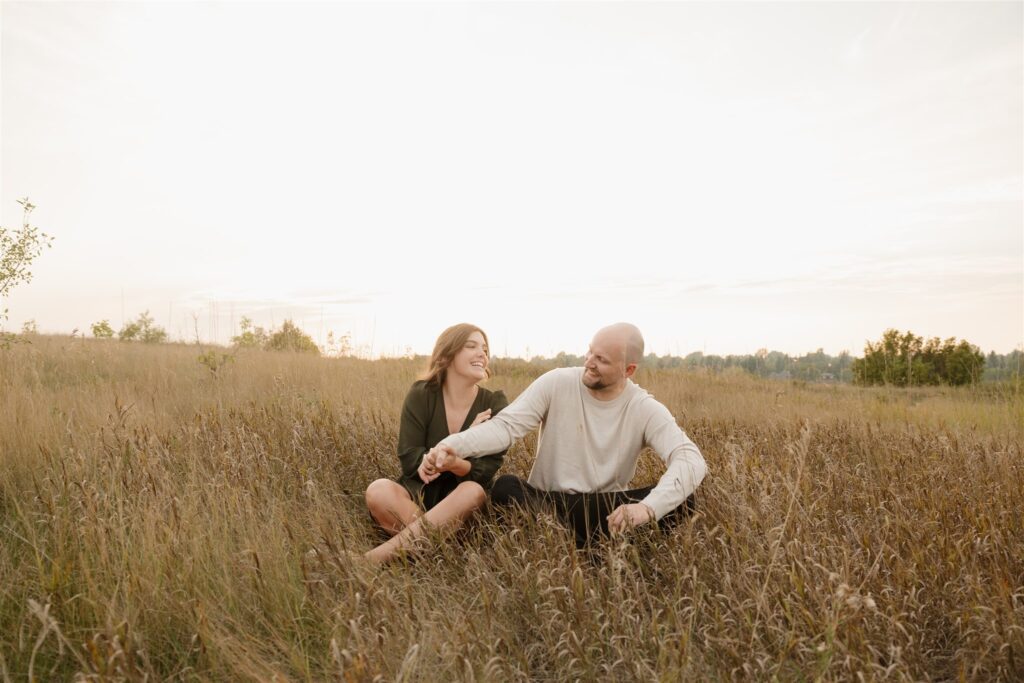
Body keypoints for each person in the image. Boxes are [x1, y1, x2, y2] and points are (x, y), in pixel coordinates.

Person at [426, 323, 707, 548]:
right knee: (506, 488)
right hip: (548, 502)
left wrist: (647, 508)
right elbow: (506, 427)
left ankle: (575, 542)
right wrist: (453, 445)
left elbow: (690, 459)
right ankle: (597, 545)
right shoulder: (557, 382)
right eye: (589, 352)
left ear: (628, 370)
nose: (589, 362)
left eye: (601, 359)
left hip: (604, 508)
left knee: (684, 500)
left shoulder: (643, 407)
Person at [362, 323, 508, 563]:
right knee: (378, 490)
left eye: (485, 348)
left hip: (462, 504)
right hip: (418, 497)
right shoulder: (422, 394)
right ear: (448, 355)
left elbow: (486, 470)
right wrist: (433, 459)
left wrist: (453, 462)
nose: (482, 353)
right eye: (471, 346)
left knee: (472, 491)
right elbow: (409, 455)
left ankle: (372, 559)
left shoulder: (494, 402)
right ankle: (445, 553)